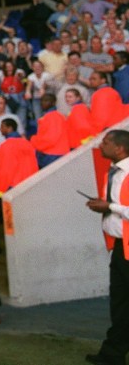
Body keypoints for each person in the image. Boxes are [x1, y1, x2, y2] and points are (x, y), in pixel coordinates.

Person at [85, 129, 129, 365]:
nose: (101, 145)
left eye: (106, 142)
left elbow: (120, 208)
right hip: (121, 248)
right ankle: (113, 354)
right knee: (120, 303)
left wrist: (109, 207)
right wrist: (104, 205)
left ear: (120, 148)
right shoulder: (114, 173)